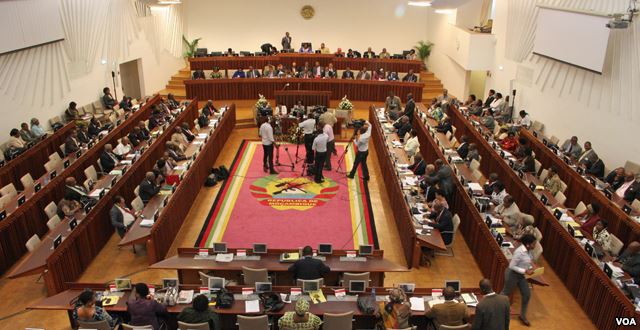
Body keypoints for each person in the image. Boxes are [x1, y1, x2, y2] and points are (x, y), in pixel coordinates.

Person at [501, 234, 539, 326]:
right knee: (505, 294)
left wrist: (530, 268)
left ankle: (522, 315)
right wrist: (525, 270)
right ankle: (496, 310)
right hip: (512, 274)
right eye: (534, 244)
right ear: (528, 244)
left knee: (527, 294)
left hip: (521, 275)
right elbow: (512, 266)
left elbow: (527, 261)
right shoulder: (519, 252)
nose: (535, 245)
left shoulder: (529, 251)